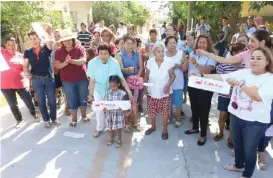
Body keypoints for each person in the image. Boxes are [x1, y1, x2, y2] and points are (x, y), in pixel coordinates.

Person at [192, 47, 273, 178]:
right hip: (236, 116)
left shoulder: (269, 78)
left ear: (268, 61)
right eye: (252, 58)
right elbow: (221, 77)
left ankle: (246, 174)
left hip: (255, 122)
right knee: (238, 145)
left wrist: (239, 85)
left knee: (249, 150)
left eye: (259, 58)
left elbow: (257, 96)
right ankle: (239, 165)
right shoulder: (245, 72)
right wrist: (202, 75)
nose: (254, 61)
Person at [87, 43, 133, 138]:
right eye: (101, 53)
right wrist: (90, 95)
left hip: (111, 90)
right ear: (98, 53)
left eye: (105, 54)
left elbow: (121, 78)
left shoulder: (114, 62)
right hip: (99, 89)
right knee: (99, 110)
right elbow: (92, 80)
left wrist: (129, 92)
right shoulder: (92, 63)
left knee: (111, 110)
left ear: (109, 54)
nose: (103, 56)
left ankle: (111, 128)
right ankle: (99, 128)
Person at [183, 35, 216, 146]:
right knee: (194, 107)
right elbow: (185, 68)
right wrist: (186, 60)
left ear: (208, 44)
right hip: (192, 85)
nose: (201, 44)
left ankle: (203, 135)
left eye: (204, 42)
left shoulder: (210, 56)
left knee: (204, 110)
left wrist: (195, 63)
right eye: (200, 42)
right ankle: (195, 128)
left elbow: (207, 71)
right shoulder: (192, 54)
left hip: (205, 87)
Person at [1, 37, 40, 126]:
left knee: (28, 100)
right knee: (12, 104)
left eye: (13, 44)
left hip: (21, 83)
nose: (11, 47)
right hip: (5, 85)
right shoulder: (2, 53)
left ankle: (34, 114)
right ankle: (19, 120)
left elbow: (26, 68)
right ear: (5, 45)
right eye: (9, 44)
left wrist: (29, 78)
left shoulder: (21, 55)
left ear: (17, 45)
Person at [23, 31, 59, 128]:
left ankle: (54, 118)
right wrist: (26, 73)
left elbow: (49, 40)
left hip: (48, 79)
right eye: (31, 39)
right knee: (41, 102)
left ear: (40, 38)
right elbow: (25, 66)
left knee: (52, 101)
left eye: (35, 38)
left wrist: (42, 31)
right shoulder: (27, 52)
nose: (33, 41)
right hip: (36, 80)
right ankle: (46, 120)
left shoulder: (46, 47)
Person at [54, 29, 89, 127]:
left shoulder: (79, 48)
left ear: (73, 40)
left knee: (83, 97)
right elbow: (57, 66)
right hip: (67, 80)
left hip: (82, 78)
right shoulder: (58, 51)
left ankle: (84, 116)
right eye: (65, 40)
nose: (67, 42)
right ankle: (74, 119)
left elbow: (83, 61)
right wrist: (65, 63)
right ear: (62, 42)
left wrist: (71, 61)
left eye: (69, 40)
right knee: (71, 99)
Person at [214, 42, 246, 148]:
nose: (243, 56)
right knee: (222, 116)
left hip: (238, 98)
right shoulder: (224, 65)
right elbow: (219, 79)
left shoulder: (245, 67)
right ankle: (221, 133)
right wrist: (225, 91)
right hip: (224, 96)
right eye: (241, 53)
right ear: (234, 53)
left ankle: (231, 139)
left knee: (233, 119)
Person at [144, 44, 175, 140]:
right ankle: (153, 127)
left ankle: (165, 130)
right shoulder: (150, 62)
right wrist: (145, 87)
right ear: (154, 53)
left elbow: (173, 76)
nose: (161, 53)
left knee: (165, 111)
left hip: (164, 92)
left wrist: (168, 85)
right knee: (152, 110)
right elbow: (146, 76)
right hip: (152, 91)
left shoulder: (168, 62)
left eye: (162, 51)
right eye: (159, 51)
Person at [116, 35, 143, 132]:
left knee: (135, 103)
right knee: (126, 103)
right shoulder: (119, 55)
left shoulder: (138, 53)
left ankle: (135, 122)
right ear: (123, 43)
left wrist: (137, 77)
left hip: (136, 82)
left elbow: (141, 68)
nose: (130, 46)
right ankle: (126, 123)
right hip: (124, 82)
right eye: (128, 44)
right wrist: (127, 70)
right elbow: (119, 70)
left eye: (132, 44)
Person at [164, 35, 187, 127]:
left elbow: (185, 68)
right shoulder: (163, 54)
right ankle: (169, 117)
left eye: (174, 43)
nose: (173, 45)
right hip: (167, 82)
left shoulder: (181, 53)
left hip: (178, 81)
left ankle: (178, 119)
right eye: (170, 43)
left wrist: (177, 65)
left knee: (178, 102)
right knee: (167, 101)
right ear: (166, 45)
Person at [104, 75, 128, 148]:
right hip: (110, 113)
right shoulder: (108, 92)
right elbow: (105, 102)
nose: (112, 88)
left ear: (118, 84)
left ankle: (119, 140)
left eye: (114, 86)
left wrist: (124, 110)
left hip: (118, 114)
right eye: (111, 86)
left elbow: (124, 105)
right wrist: (104, 108)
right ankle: (111, 138)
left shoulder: (122, 93)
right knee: (110, 127)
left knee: (118, 128)